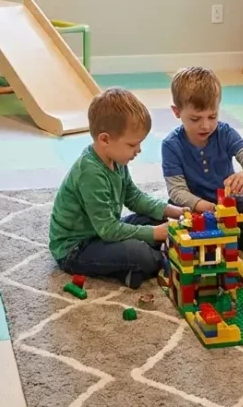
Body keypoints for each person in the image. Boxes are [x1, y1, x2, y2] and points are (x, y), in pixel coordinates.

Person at [49, 88, 184, 289]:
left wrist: (172, 211)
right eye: (132, 144)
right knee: (141, 254)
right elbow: (109, 230)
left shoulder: (116, 159)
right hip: (76, 248)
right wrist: (155, 234)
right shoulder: (90, 172)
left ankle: (132, 268)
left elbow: (133, 197)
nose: (138, 150)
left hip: (102, 230)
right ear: (105, 140)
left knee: (163, 220)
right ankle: (150, 261)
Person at [161, 67, 243, 251]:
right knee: (159, 220)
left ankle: (227, 238)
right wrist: (206, 208)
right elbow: (177, 191)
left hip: (232, 207)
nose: (206, 125)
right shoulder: (171, 144)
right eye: (195, 119)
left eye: (212, 116)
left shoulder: (225, 133)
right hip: (193, 212)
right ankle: (238, 238)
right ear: (177, 112)